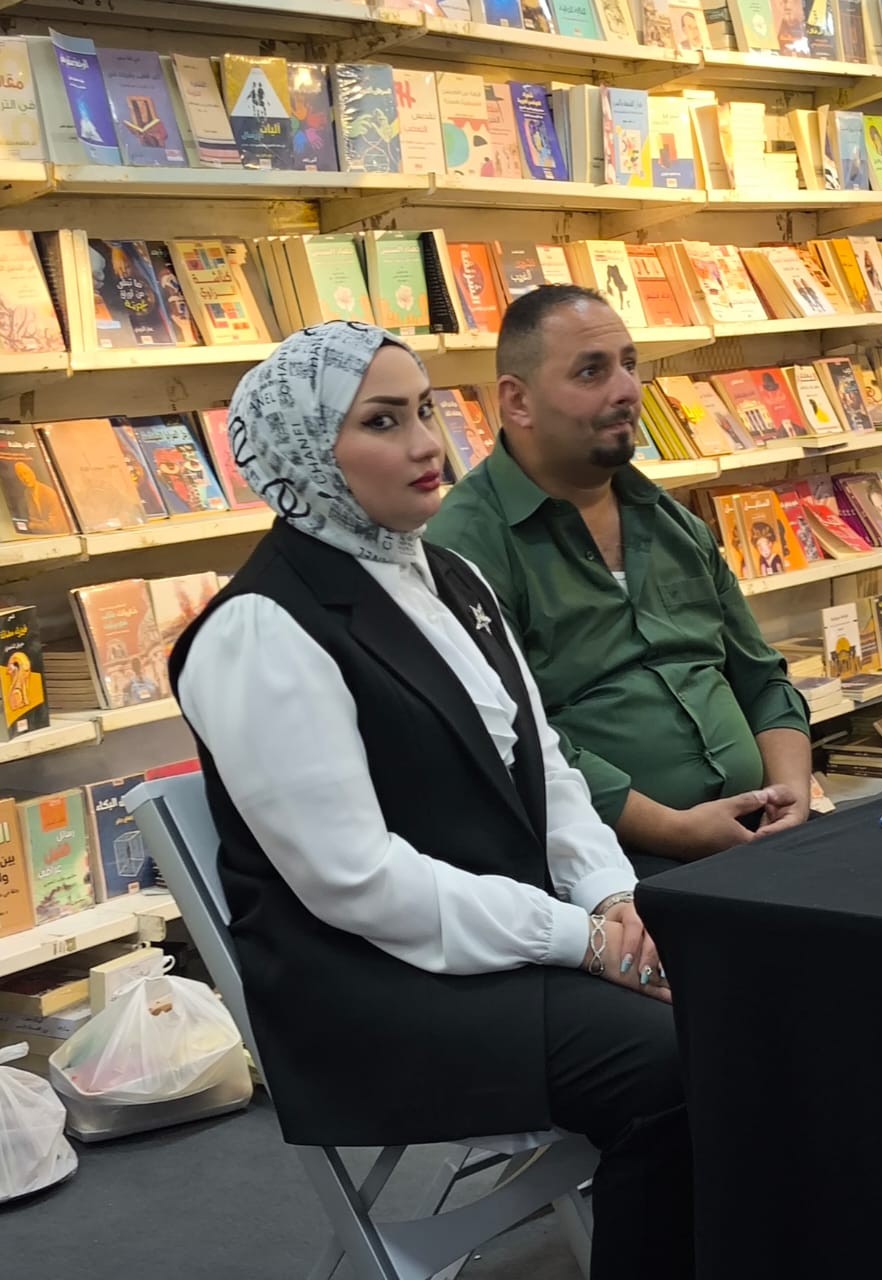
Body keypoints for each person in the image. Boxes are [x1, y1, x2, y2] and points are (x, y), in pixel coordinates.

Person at [170, 322, 693, 1280]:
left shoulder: (448, 575)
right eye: (382, 421)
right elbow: (357, 883)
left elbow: (547, 769)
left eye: (425, 410)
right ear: (305, 450)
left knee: (753, 988)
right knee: (675, 1062)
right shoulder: (261, 629)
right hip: (374, 993)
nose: (427, 444)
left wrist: (614, 898)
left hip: (498, 942)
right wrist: (579, 938)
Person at [428, 286, 811, 874]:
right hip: (610, 865)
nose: (627, 390)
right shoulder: (464, 548)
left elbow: (761, 678)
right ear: (518, 401)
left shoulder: (671, 521)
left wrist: (792, 801)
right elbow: (517, 738)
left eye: (629, 365)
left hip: (762, 832)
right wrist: (674, 831)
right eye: (592, 372)